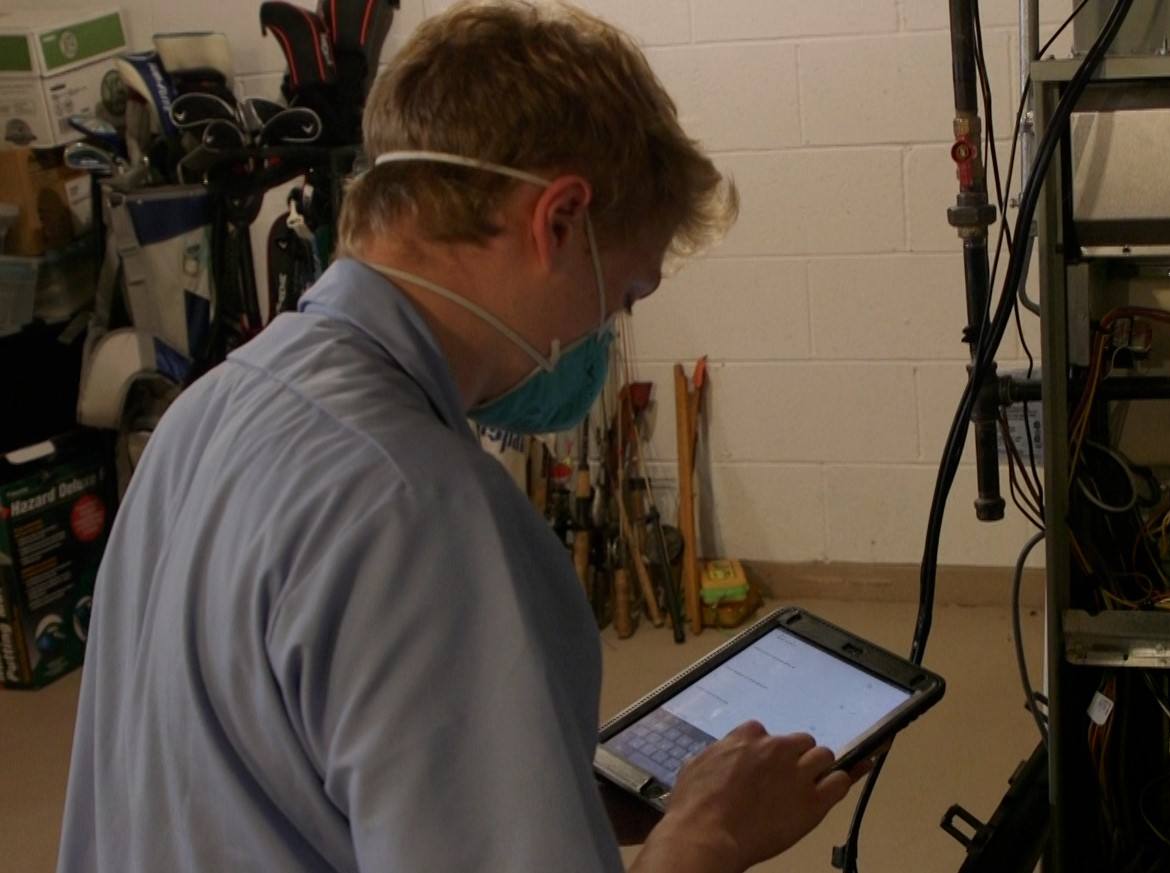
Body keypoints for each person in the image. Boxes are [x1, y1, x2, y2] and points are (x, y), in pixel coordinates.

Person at [57, 3, 863, 871]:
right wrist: (705, 837)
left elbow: (262, 771)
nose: (606, 334)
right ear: (556, 221)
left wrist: (537, 785)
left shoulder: (210, 410)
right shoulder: (425, 514)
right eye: (623, 295)